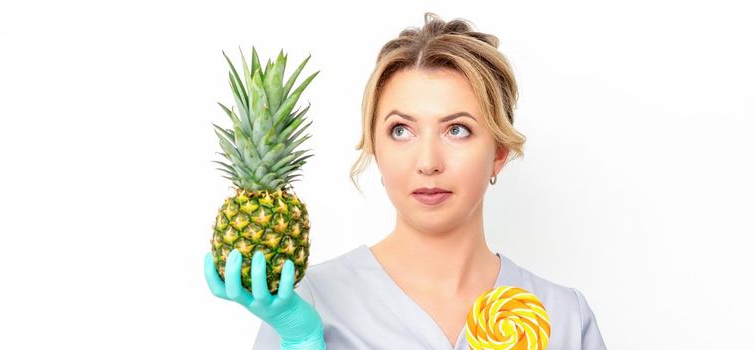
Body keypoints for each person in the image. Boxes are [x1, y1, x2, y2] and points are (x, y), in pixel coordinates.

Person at [205, 12, 607, 350]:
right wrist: (301, 340)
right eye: (401, 130)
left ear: (499, 153)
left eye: (458, 130)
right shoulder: (306, 303)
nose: (428, 162)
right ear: (375, 150)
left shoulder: (564, 318)